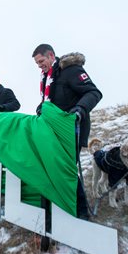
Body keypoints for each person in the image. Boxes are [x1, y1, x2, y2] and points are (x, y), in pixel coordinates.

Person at [32, 43, 102, 221]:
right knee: (54, 166)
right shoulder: (47, 77)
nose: (39, 65)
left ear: (51, 56)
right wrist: (42, 108)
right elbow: (53, 101)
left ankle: (81, 212)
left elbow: (94, 93)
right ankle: (60, 203)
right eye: (37, 63)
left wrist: (80, 109)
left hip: (72, 128)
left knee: (68, 169)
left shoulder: (70, 70)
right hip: (53, 130)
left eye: (41, 61)